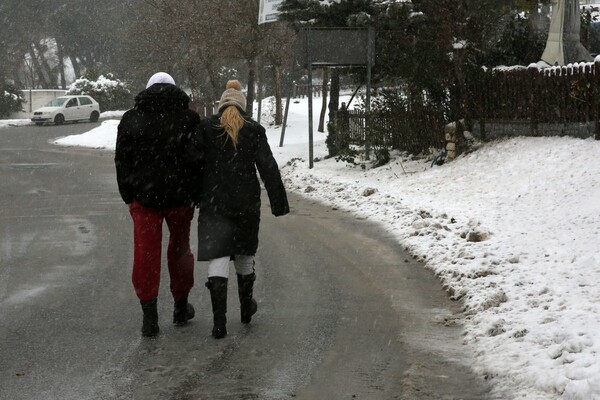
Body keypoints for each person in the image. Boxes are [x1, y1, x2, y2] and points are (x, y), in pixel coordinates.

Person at [190, 80, 289, 339]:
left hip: (214, 203)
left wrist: (194, 196)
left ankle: (219, 323)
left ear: (222, 105)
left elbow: (192, 164)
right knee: (244, 252)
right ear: (243, 106)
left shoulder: (206, 129)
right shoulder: (253, 130)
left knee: (219, 256)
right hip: (245, 203)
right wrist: (278, 203)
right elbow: (268, 167)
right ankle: (246, 308)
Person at [115, 72, 201, 337]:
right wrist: (194, 191)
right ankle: (180, 305)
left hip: (145, 199)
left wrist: (129, 194)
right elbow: (196, 159)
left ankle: (149, 316)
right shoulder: (189, 118)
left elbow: (122, 160)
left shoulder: (131, 119)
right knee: (180, 250)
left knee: (145, 254)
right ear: (175, 89)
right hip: (179, 198)